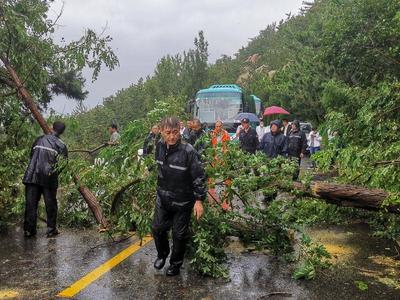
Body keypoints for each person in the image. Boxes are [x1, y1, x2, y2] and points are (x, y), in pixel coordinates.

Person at [152, 117, 207, 276]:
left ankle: (175, 264)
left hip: (183, 201)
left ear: (180, 130)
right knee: (157, 228)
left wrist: (198, 200)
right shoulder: (160, 146)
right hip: (163, 197)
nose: (171, 136)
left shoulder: (188, 151)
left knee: (179, 234)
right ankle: (162, 255)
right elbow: (159, 167)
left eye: (175, 132)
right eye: (168, 133)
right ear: (161, 131)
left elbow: (199, 176)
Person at [22, 121, 68, 237]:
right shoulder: (62, 145)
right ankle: (51, 230)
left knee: (31, 204)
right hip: (49, 178)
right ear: (62, 132)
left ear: (52, 128)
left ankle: (29, 230)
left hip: (32, 175)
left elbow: (31, 155)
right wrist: (53, 174)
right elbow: (63, 164)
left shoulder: (39, 139)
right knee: (51, 204)